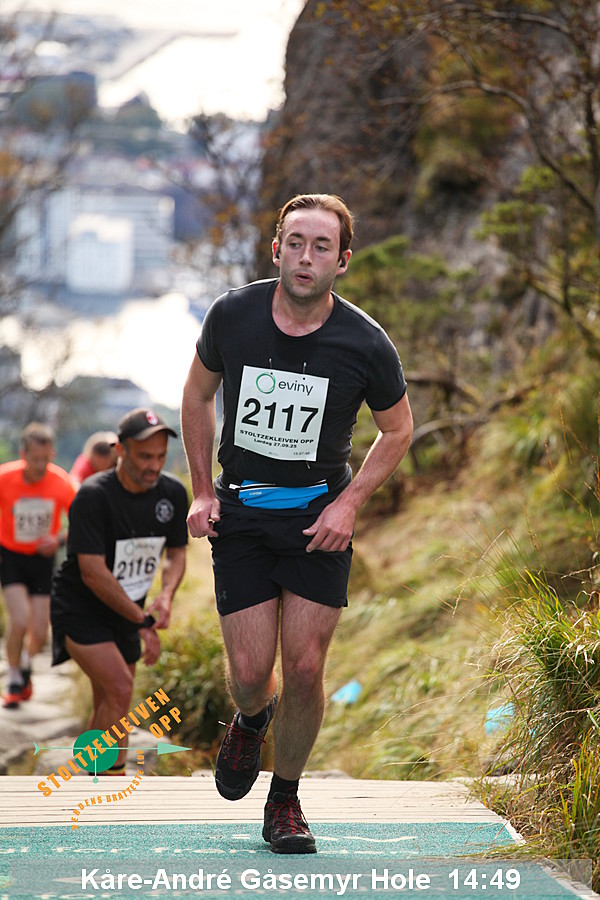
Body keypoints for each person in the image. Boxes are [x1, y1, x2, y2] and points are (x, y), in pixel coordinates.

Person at [182, 193, 414, 853]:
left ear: (342, 261)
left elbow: (398, 429)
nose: (305, 257)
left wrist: (349, 504)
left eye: (321, 246)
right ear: (276, 249)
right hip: (243, 514)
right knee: (251, 673)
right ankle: (251, 718)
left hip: (318, 520)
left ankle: (284, 798)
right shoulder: (233, 315)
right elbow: (197, 394)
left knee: (306, 668)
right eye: (295, 242)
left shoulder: (365, 342)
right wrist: (201, 491)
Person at [50, 408, 188, 774]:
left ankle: (92, 778)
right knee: (120, 689)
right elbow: (93, 574)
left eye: (160, 456)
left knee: (110, 700)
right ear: (120, 450)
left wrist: (166, 595)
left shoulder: (172, 493)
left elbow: (176, 553)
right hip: (81, 608)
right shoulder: (93, 496)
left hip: (128, 611)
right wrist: (142, 622)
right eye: (144, 456)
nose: (153, 466)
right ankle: (110, 779)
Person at [0, 422, 76, 708]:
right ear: (23, 455)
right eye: (35, 459)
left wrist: (58, 539)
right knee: (19, 620)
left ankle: (24, 663)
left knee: (41, 633)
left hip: (43, 560)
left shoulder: (60, 482)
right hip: (10, 556)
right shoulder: (5, 478)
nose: (41, 465)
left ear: (52, 453)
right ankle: (13, 679)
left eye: (46, 458)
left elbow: (82, 520)